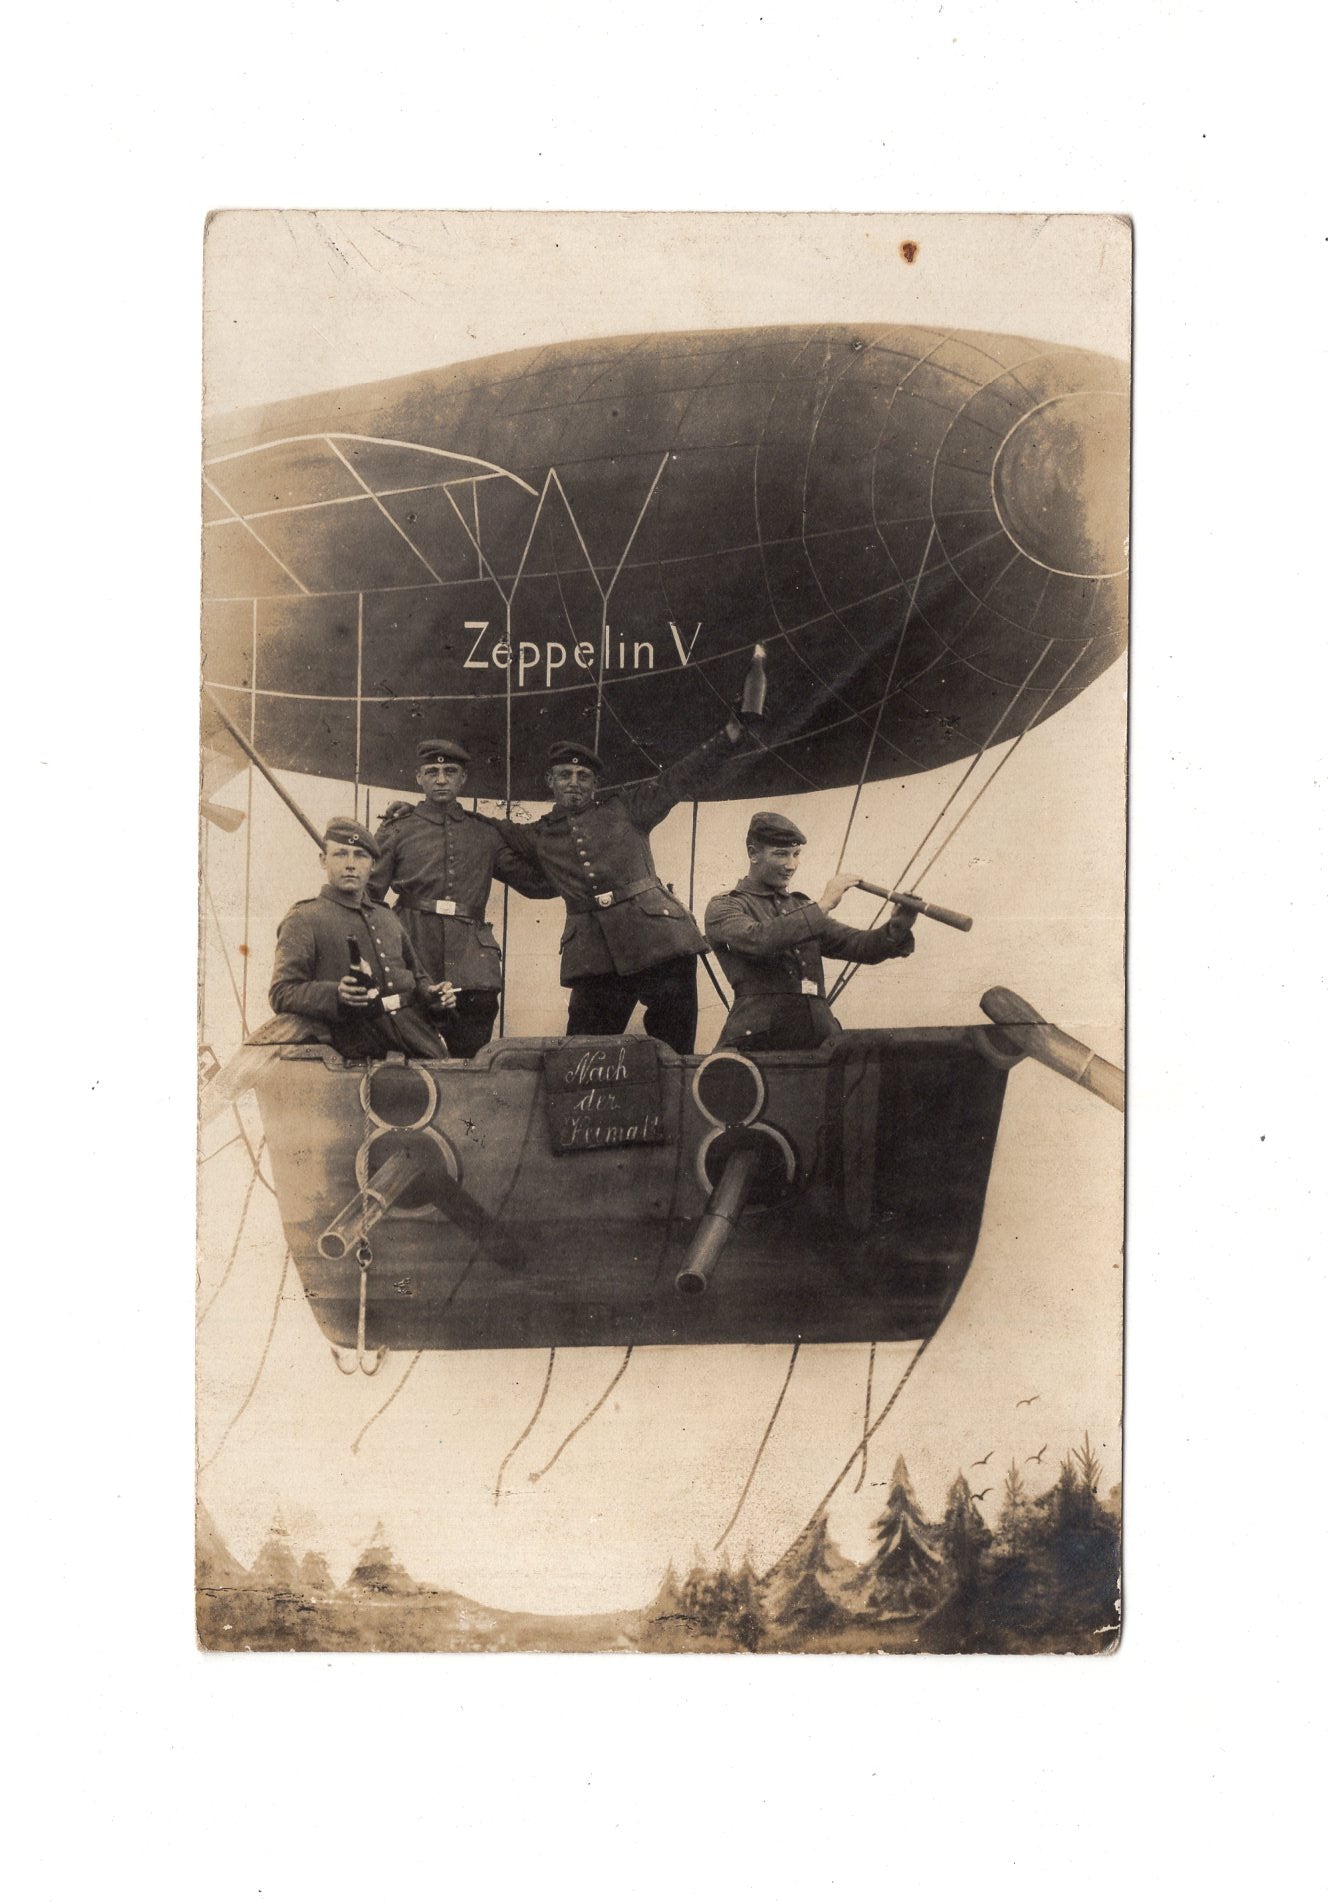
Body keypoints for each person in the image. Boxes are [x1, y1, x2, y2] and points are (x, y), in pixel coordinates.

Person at [496, 716, 748, 1055]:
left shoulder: (627, 808)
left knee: (675, 1050)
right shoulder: (538, 835)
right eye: (565, 775)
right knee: (584, 1054)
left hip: (661, 944)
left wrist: (728, 736)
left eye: (583, 776)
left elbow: (677, 779)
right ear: (549, 781)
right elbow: (483, 831)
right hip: (595, 956)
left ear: (595, 783)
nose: (574, 783)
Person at [369, 738, 556, 1058]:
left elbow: (533, 884)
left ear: (463, 779)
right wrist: (387, 944)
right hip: (413, 952)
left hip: (472, 965)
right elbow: (369, 895)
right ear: (419, 778)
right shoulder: (398, 829)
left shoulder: (484, 833)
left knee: (471, 1054)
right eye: (432, 771)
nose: (441, 779)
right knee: (412, 1059)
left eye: (450, 771)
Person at [704, 812, 918, 1052]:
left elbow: (859, 946)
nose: (791, 865)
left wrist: (897, 926)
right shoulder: (725, 906)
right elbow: (759, 939)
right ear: (753, 854)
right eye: (781, 854)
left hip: (820, 1039)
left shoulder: (801, 908)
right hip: (759, 1043)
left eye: (796, 855)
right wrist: (824, 904)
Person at [268, 817, 456, 1062]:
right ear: (323, 861)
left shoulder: (387, 916)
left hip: (415, 1037)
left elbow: (417, 977)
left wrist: (434, 994)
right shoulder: (303, 919)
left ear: (373, 864)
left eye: (360, 856)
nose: (350, 865)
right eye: (340, 854)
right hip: (354, 1044)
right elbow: (281, 992)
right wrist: (336, 993)